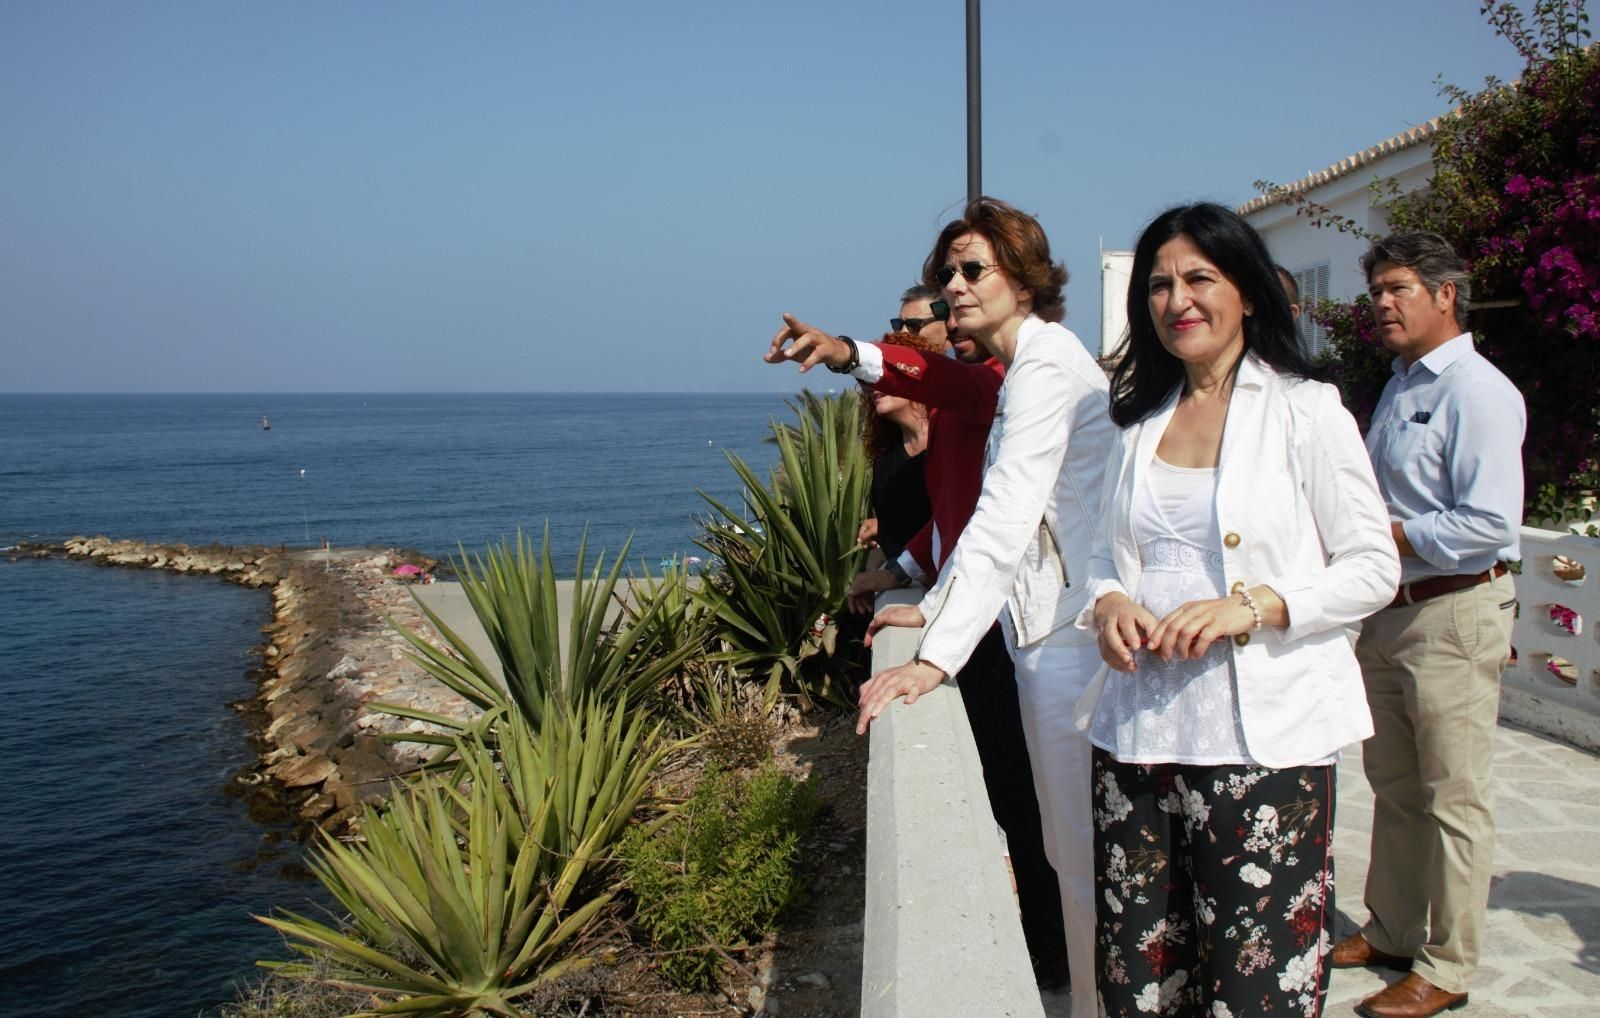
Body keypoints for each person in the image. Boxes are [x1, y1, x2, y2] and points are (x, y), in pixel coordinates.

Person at [772, 196, 1116, 1014]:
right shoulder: (1021, 364)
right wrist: (853, 351)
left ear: (1024, 281)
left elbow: (1003, 516)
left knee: (1079, 857)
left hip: (1070, 640)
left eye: (973, 271)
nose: (955, 286)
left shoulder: (1045, 368)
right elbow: (949, 387)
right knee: (1071, 853)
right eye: (948, 273)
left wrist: (932, 656)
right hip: (1047, 632)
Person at [1079, 202, 1399, 1017]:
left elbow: (1372, 568)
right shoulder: (1136, 421)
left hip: (1264, 743)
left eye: (1198, 278)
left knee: (1256, 983)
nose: (1175, 298)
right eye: (1157, 284)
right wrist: (1108, 601)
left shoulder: (1306, 410)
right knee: (1141, 978)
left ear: (1248, 294)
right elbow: (1098, 558)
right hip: (1139, 737)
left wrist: (1252, 607)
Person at [1333, 233, 1525, 1018]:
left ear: (1447, 295)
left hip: (1451, 608)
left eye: (1399, 288)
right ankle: (1393, 929)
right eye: (1376, 289)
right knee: (1396, 786)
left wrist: (1392, 534)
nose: (1382, 303)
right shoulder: (1400, 384)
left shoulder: (1476, 390)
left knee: (1454, 796)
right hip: (1392, 611)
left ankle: (1446, 965)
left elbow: (1488, 522)